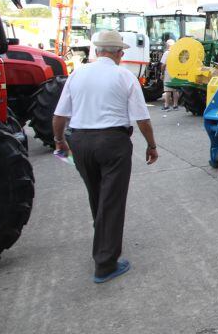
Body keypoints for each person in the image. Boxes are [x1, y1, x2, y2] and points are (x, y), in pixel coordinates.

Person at [52, 30, 159, 284]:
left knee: (96, 193)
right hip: (113, 142)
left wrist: (59, 141)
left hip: (80, 141)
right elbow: (142, 118)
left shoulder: (77, 74)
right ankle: (105, 263)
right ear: (119, 53)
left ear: (98, 52)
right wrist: (151, 145)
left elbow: (59, 116)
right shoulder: (124, 76)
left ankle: (102, 242)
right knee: (112, 200)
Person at [161, 39, 179, 111]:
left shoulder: (166, 53)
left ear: (167, 45)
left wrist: (162, 73)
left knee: (167, 90)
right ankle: (175, 106)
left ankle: (166, 106)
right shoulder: (177, 53)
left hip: (168, 72)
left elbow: (163, 65)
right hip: (176, 73)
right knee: (175, 90)